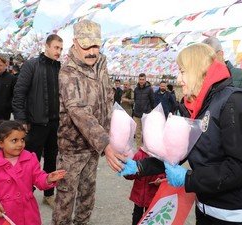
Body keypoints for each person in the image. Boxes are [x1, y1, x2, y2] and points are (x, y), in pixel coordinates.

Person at [119, 43, 242, 224]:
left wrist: (188, 178)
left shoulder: (236, 102)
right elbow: (175, 154)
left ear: (198, 70)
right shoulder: (194, 107)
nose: (178, 78)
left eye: (183, 71)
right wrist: (139, 167)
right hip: (209, 210)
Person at [52, 19, 126, 225]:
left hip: (93, 147)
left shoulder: (101, 64)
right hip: (72, 149)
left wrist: (116, 131)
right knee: (65, 200)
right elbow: (79, 111)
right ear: (75, 43)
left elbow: (108, 97)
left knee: (87, 196)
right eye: (87, 46)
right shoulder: (68, 73)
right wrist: (106, 143)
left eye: (96, 45)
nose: (92, 52)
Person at [12, 34, 63, 208]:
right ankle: (25, 195)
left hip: (55, 124)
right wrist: (21, 120)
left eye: (61, 49)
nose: (59, 52)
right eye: (56, 47)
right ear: (47, 46)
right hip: (35, 124)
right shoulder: (32, 65)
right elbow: (19, 93)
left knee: (51, 160)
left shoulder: (60, 68)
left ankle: (49, 194)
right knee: (30, 162)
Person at [0, 120, 66, 225]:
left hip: (28, 213)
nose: (20, 144)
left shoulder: (30, 158)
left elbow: (38, 177)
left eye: (22, 139)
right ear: (0, 143)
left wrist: (48, 178)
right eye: (14, 140)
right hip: (4, 214)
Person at [124, 147, 165, 225]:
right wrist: (126, 170)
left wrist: (160, 179)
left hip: (152, 195)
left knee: (150, 216)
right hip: (138, 193)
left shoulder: (161, 157)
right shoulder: (139, 155)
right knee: (136, 214)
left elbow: (164, 172)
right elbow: (130, 175)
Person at [133, 73, 155, 147]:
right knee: (137, 133)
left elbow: (152, 101)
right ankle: (139, 149)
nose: (141, 81)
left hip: (146, 114)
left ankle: (146, 148)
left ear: (145, 80)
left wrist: (151, 111)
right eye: (140, 79)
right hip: (137, 114)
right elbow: (135, 100)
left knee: (146, 132)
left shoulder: (150, 89)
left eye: (143, 79)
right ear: (138, 80)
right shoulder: (136, 89)